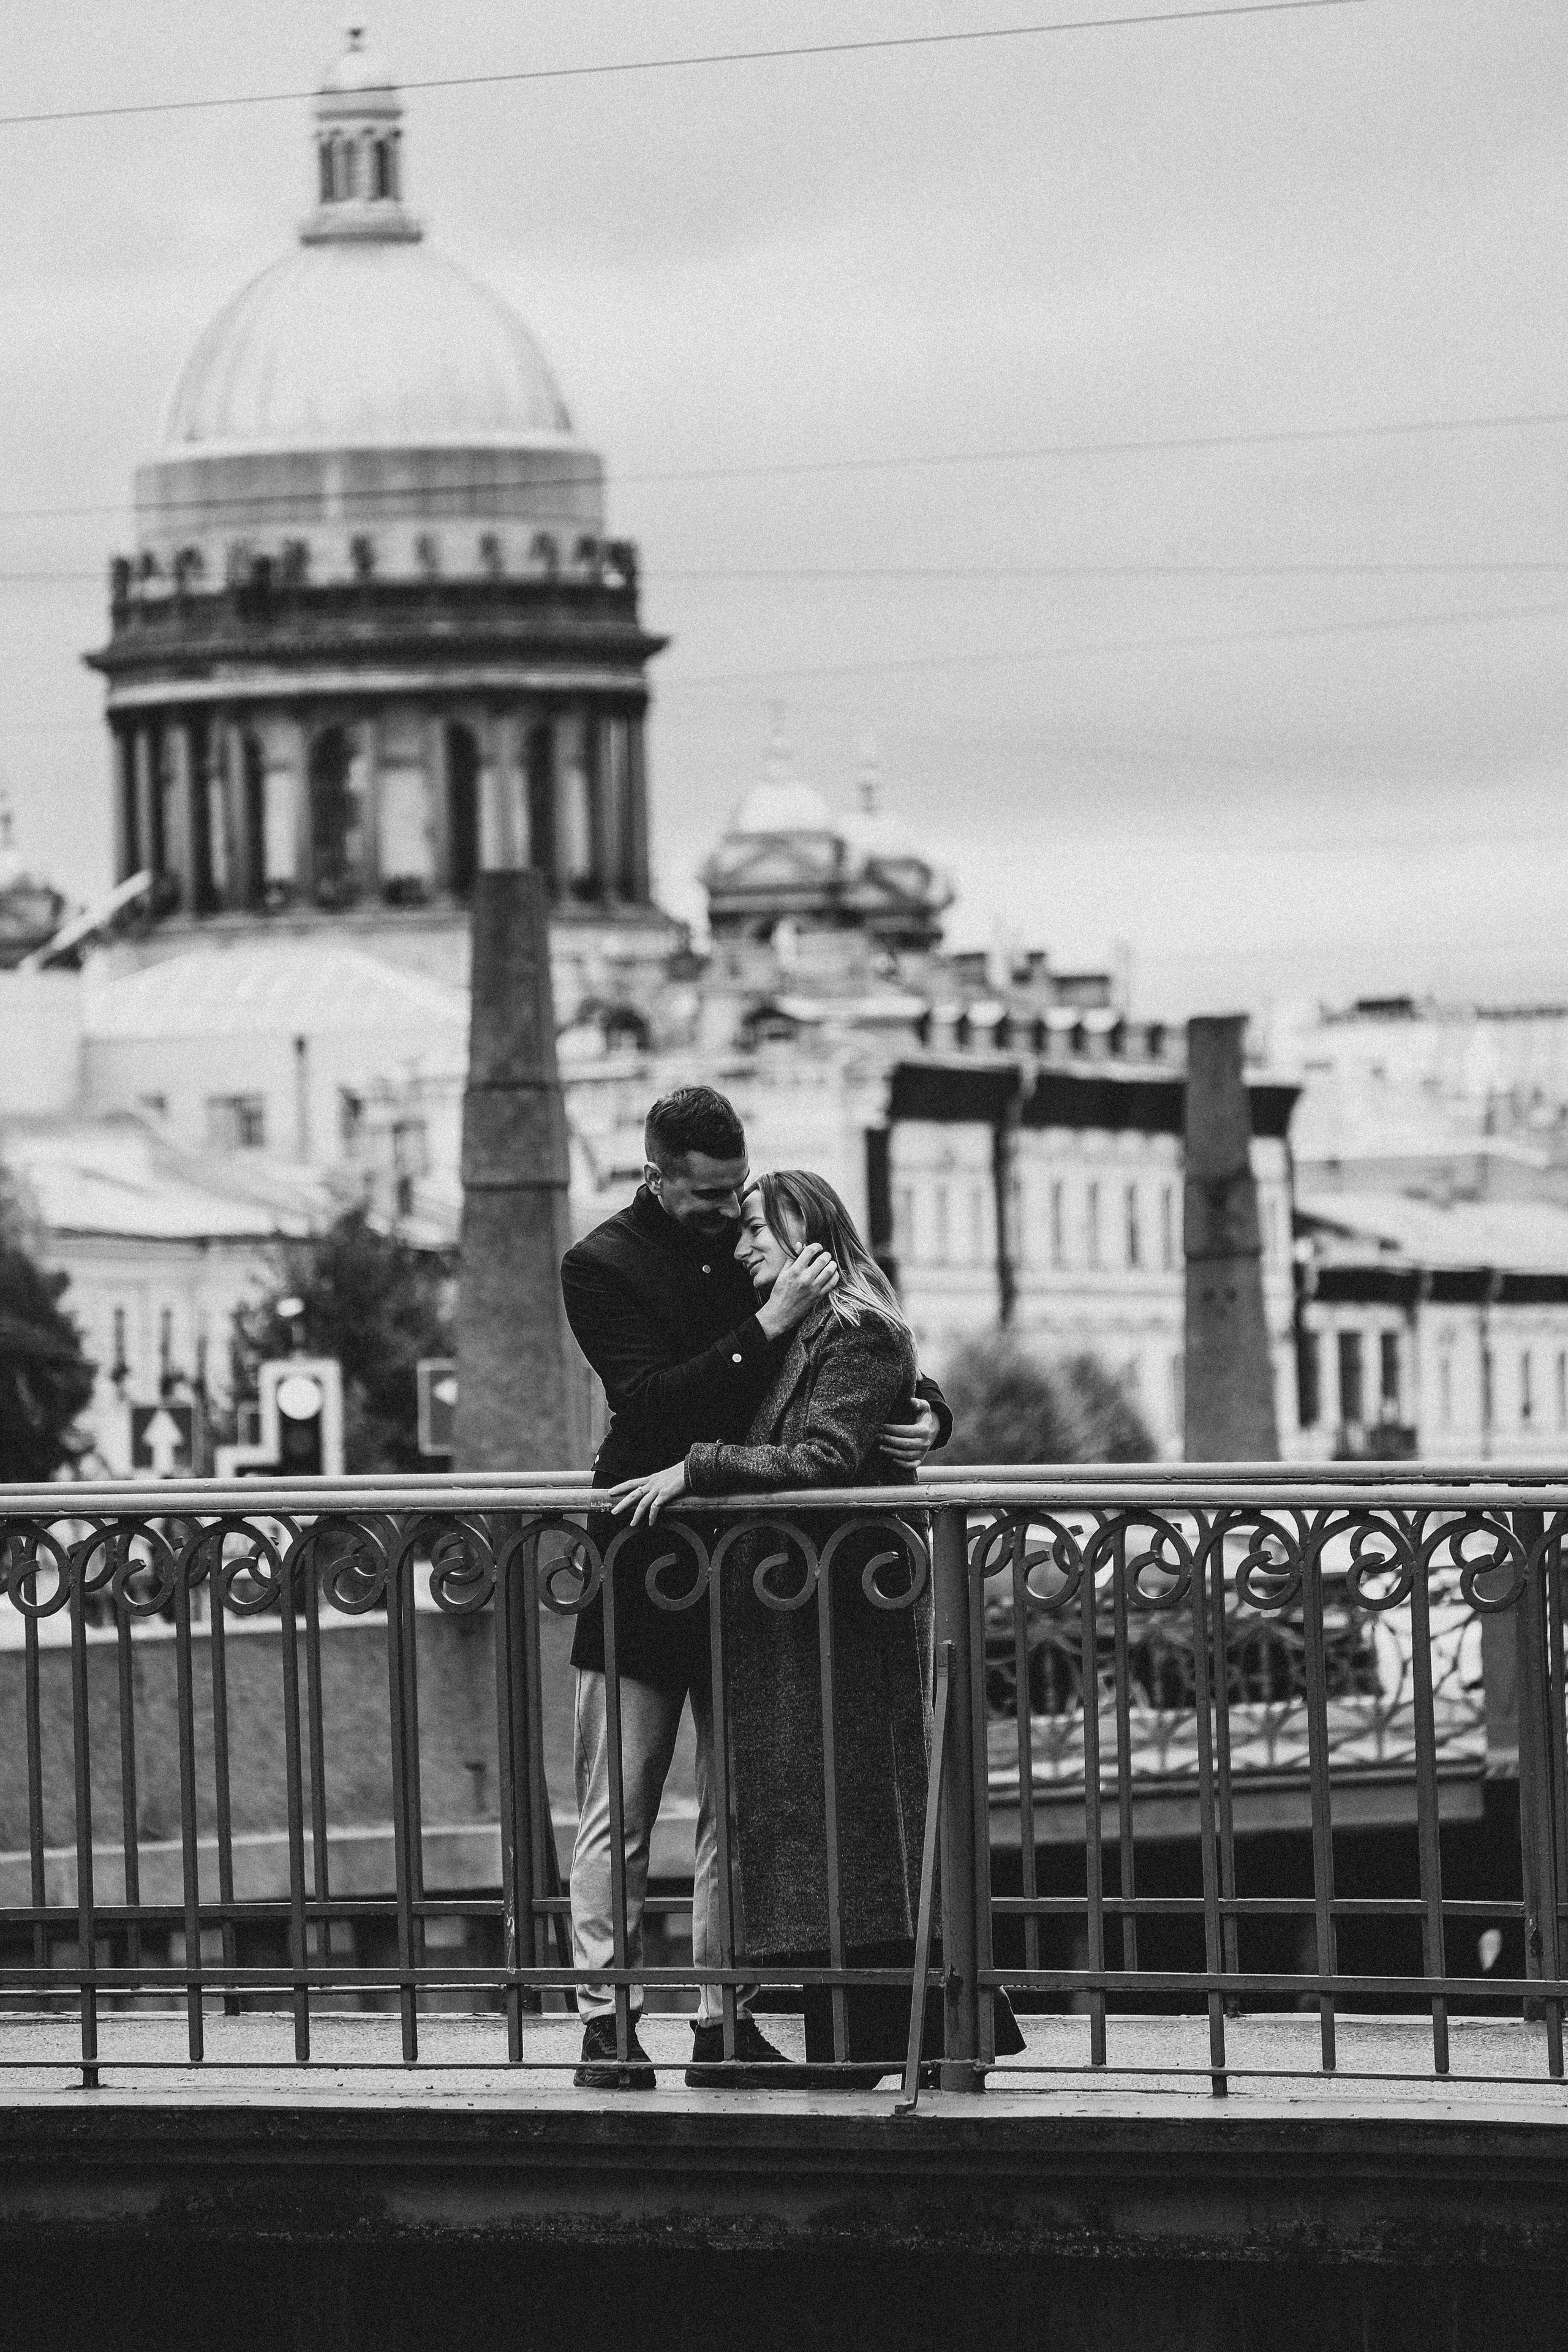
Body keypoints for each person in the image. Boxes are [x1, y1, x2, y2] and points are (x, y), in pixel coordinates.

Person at [560, 1088, 951, 2089]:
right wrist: (763, 1324)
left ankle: (720, 2019)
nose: (731, 1214)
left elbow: (852, 1347)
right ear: (655, 1175)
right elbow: (651, 1403)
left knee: (739, 1814)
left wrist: (924, 1416)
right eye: (706, 1195)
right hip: (648, 1557)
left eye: (738, 1192)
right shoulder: (600, 1265)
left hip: (756, 1581)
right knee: (624, 1806)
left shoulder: (760, 1245)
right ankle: (606, 2022)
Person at [611, 1169, 1012, 2082]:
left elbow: (827, 1450)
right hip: (801, 1613)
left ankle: (904, 2040)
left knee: (864, 1820)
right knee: (830, 1826)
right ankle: (868, 2043)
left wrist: (695, 1470)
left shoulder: (858, 1330)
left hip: (846, 1617)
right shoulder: (799, 1326)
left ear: (814, 1242)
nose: (744, 1244)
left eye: (759, 1229)